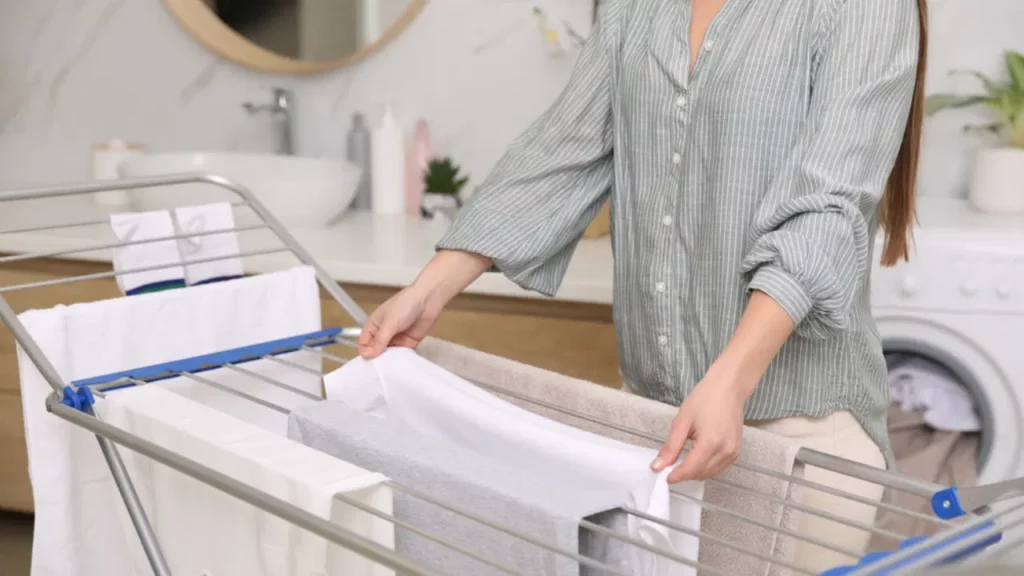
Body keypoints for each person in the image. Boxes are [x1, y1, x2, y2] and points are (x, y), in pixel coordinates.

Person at [358, 0, 927, 569]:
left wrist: (728, 383)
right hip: (654, 422)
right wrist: (428, 290)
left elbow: (824, 208)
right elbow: (565, 149)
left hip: (795, 431)